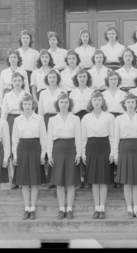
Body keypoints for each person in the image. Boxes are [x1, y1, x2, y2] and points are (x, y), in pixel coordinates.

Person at [11, 93, 47, 220]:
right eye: (25, 104)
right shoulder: (17, 120)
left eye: (29, 104)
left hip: (35, 147)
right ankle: (26, 208)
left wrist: (43, 154)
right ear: (22, 105)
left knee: (35, 181)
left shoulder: (39, 119)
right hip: (22, 148)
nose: (27, 106)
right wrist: (15, 155)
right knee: (24, 182)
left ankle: (33, 208)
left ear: (33, 105)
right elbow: (15, 139)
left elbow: (43, 138)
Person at [114, 92, 137, 219]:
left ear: (136, 104)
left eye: (133, 102)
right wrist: (116, 155)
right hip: (124, 148)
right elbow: (116, 138)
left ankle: (136, 208)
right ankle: (129, 209)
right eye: (128, 102)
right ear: (124, 104)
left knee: (136, 182)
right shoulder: (119, 119)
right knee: (127, 182)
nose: (130, 104)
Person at [47, 91, 82, 219]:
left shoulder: (75, 118)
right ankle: (61, 209)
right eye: (61, 102)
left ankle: (70, 209)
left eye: (66, 102)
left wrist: (79, 153)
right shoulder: (52, 119)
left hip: (71, 148)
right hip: (58, 148)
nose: (64, 104)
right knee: (60, 182)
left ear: (69, 104)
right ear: (58, 104)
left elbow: (78, 137)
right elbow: (49, 137)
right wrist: (49, 154)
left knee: (71, 182)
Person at [81, 90, 115, 219]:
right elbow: (83, 137)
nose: (96, 102)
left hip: (105, 146)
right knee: (95, 180)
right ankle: (97, 208)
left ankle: (103, 208)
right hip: (91, 146)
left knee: (104, 180)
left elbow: (112, 136)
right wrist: (84, 154)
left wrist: (112, 153)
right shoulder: (86, 118)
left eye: (99, 99)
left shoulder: (109, 117)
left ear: (103, 102)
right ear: (91, 102)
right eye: (94, 100)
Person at [38, 69, 65, 189]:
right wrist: (41, 124)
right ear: (47, 79)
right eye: (50, 77)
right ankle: (51, 178)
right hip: (47, 118)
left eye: (54, 77)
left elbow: (66, 106)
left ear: (57, 79)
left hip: (59, 118)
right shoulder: (43, 93)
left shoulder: (62, 92)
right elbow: (40, 112)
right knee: (49, 146)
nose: (52, 79)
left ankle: (60, 176)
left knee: (58, 147)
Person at [1, 72, 27, 190]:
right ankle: (15, 179)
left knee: (23, 148)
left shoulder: (26, 94)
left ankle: (24, 179)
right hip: (11, 121)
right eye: (15, 80)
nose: (17, 83)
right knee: (12, 150)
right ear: (12, 82)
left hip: (24, 119)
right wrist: (2, 126)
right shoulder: (7, 95)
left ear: (23, 82)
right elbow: (4, 112)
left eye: (19, 80)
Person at [69, 68, 93, 189]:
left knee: (88, 145)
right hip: (77, 117)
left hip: (88, 117)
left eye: (84, 76)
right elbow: (71, 109)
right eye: (80, 76)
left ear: (87, 78)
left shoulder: (92, 92)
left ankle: (88, 177)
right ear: (76, 79)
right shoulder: (72, 93)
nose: (82, 78)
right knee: (78, 144)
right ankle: (79, 177)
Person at [102, 69, 126, 189]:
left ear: (118, 81)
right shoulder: (103, 94)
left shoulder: (123, 94)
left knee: (119, 146)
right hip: (107, 118)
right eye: (111, 79)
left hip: (120, 118)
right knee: (110, 146)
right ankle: (110, 178)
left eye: (115, 79)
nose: (113, 81)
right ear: (107, 81)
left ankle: (120, 178)